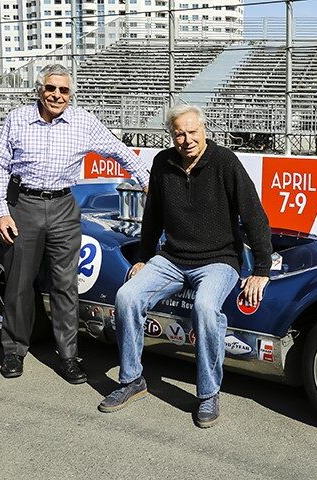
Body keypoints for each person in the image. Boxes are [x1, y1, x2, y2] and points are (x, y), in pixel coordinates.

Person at [98, 104, 272, 428]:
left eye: (193, 131)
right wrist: (143, 257)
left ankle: (208, 394)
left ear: (204, 131)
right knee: (127, 297)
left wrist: (262, 269)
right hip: (172, 259)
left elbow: (253, 214)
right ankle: (132, 380)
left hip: (219, 260)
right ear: (172, 135)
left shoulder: (225, 162)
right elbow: (152, 217)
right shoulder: (162, 164)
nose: (187, 139)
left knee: (206, 308)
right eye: (180, 133)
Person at [0, 64, 149, 383]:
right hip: (23, 205)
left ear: (70, 94)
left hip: (63, 205)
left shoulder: (83, 121)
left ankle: (68, 355)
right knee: (19, 281)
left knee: (65, 284)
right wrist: (1, 212)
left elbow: (119, 151)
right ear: (40, 89)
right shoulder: (17, 118)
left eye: (63, 90)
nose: (56, 95)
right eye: (50, 88)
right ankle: (13, 352)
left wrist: (145, 180)